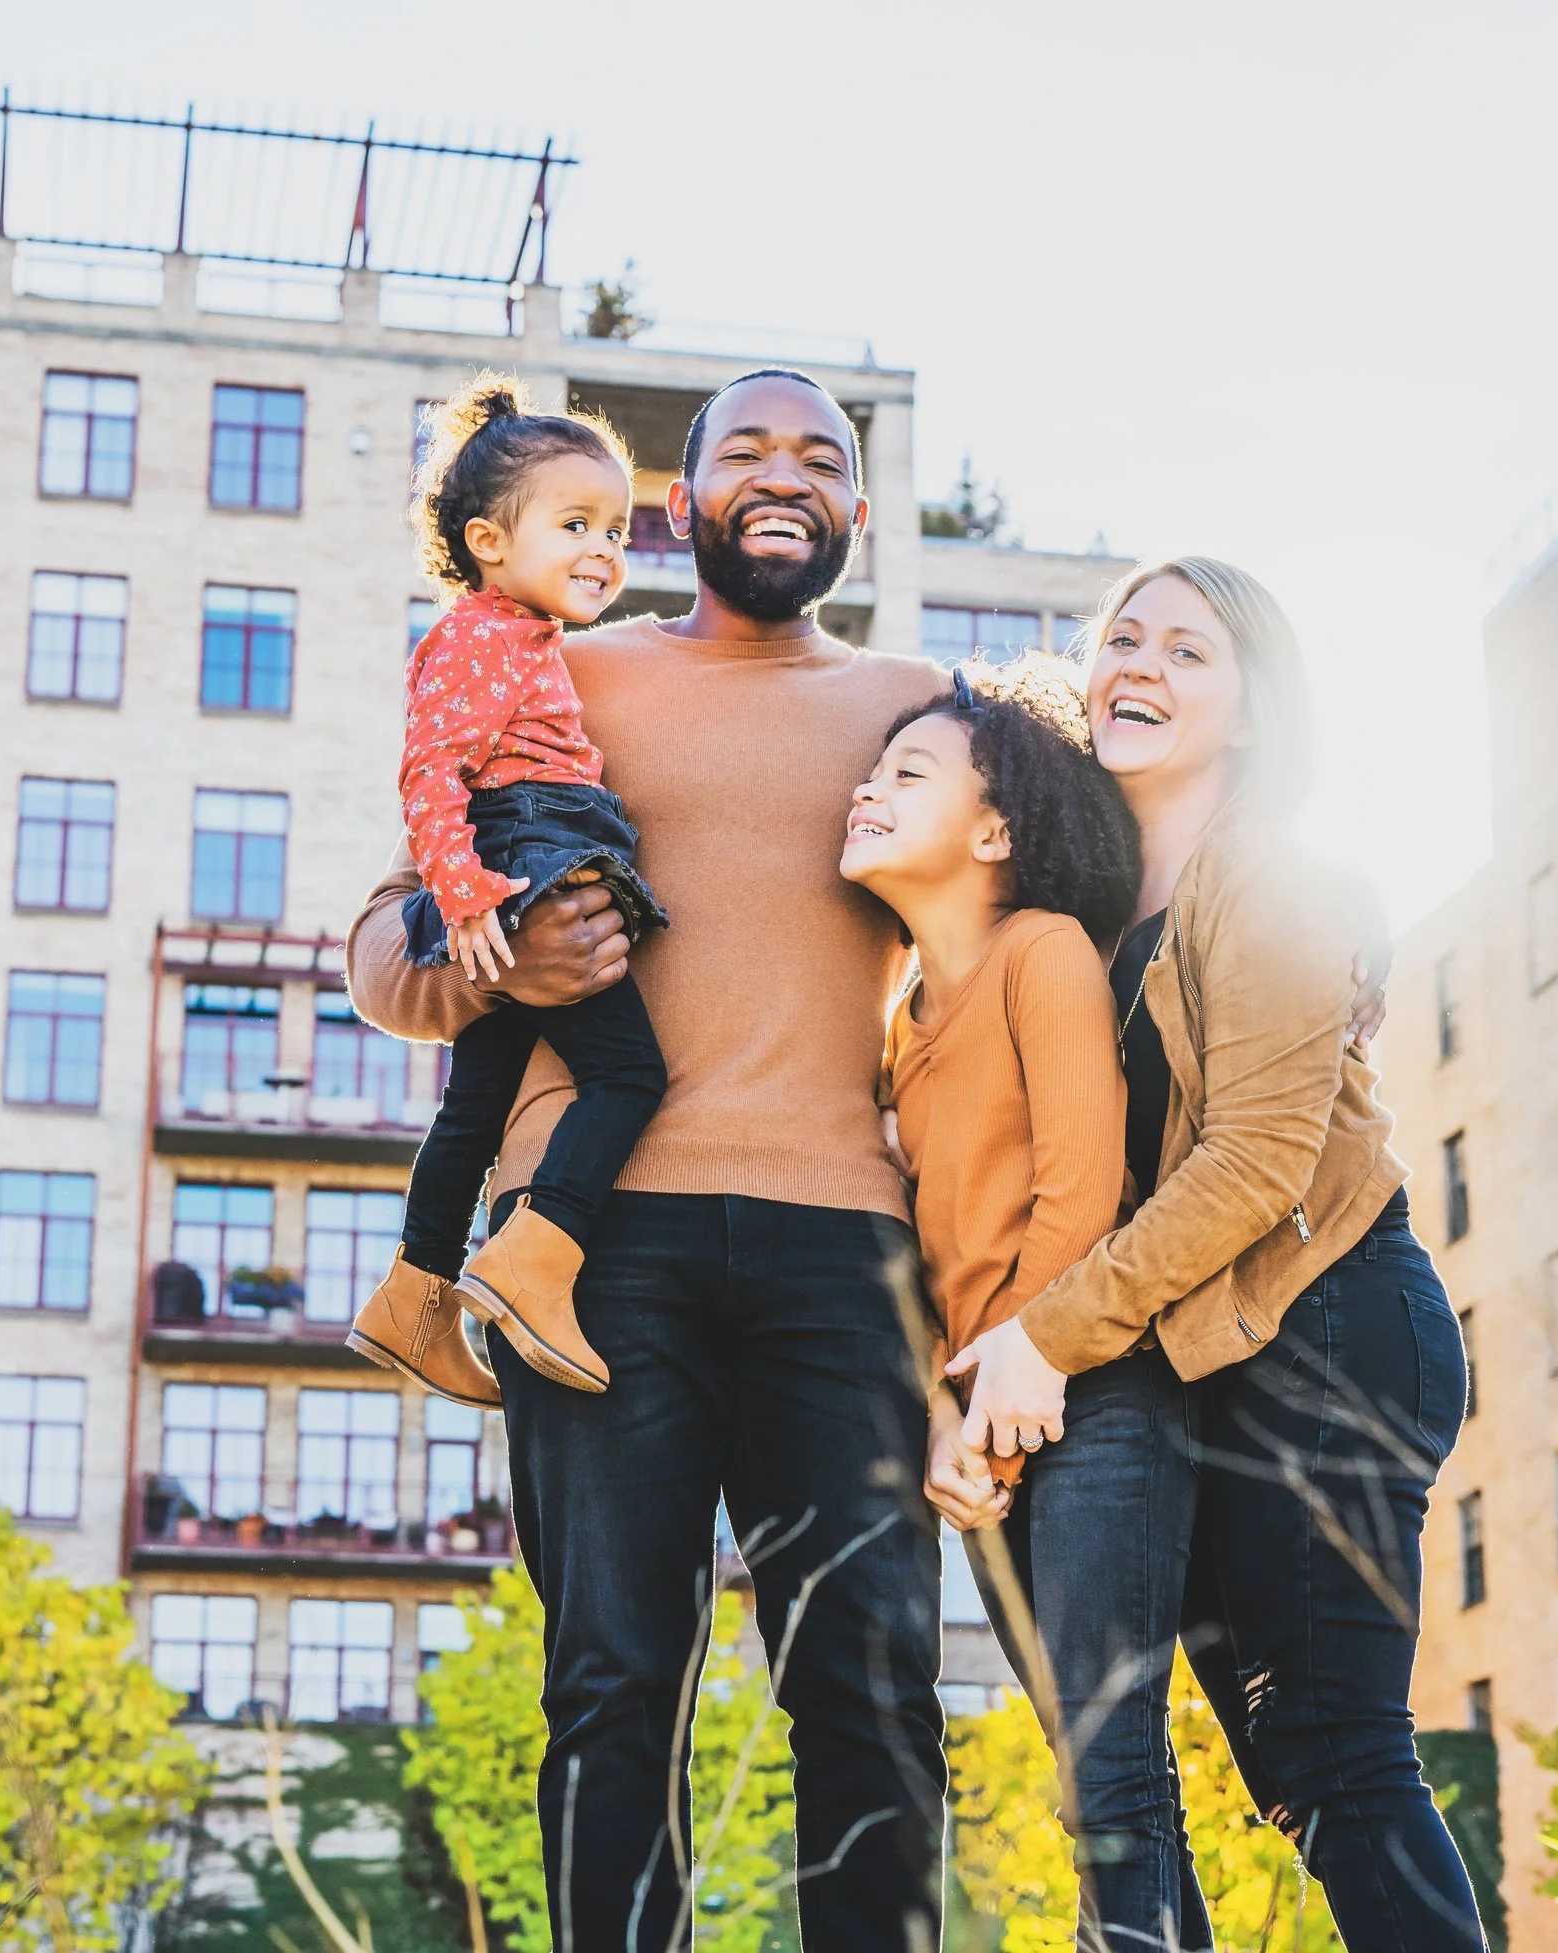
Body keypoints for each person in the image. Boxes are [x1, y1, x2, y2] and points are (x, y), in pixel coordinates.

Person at [344, 370, 950, 1952]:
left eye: (822, 458)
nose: (783, 474)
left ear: (857, 518)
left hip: (851, 1249)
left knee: (875, 1681)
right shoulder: (554, 663)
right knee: (616, 1676)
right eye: (743, 449)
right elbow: (382, 941)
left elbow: (1063, 908)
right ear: (680, 507)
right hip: (591, 1247)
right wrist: (506, 968)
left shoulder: (922, 702)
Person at [948, 559, 1485, 1953]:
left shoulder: (1272, 878)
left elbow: (1248, 1165)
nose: (1142, 666)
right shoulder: (1083, 896)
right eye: (1124, 639)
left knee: (1339, 1751)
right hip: (1205, 1352)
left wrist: (1047, 1335)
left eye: (1191, 651)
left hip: (1331, 1328)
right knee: (1286, 1768)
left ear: (1253, 713)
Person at [844, 660, 1210, 1949]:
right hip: (987, 1424)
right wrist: (954, 1416)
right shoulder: (894, 1025)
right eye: (870, 770)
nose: (865, 790)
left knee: (1114, 1768)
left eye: (907, 773)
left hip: (1094, 1390)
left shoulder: (1040, 953)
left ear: (995, 831)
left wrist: (996, 1399)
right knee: (1082, 1771)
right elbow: (927, 1255)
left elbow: (1083, 1187)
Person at [349, 376, 669, 1405]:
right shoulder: (481, 635)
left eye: (615, 528)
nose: (603, 548)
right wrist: (472, 894)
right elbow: (432, 769)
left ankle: (413, 1295)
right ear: (489, 542)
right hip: (526, 855)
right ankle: (539, 1256)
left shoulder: (521, 637)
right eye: (574, 523)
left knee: (477, 1106)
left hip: (518, 854)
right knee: (625, 1079)